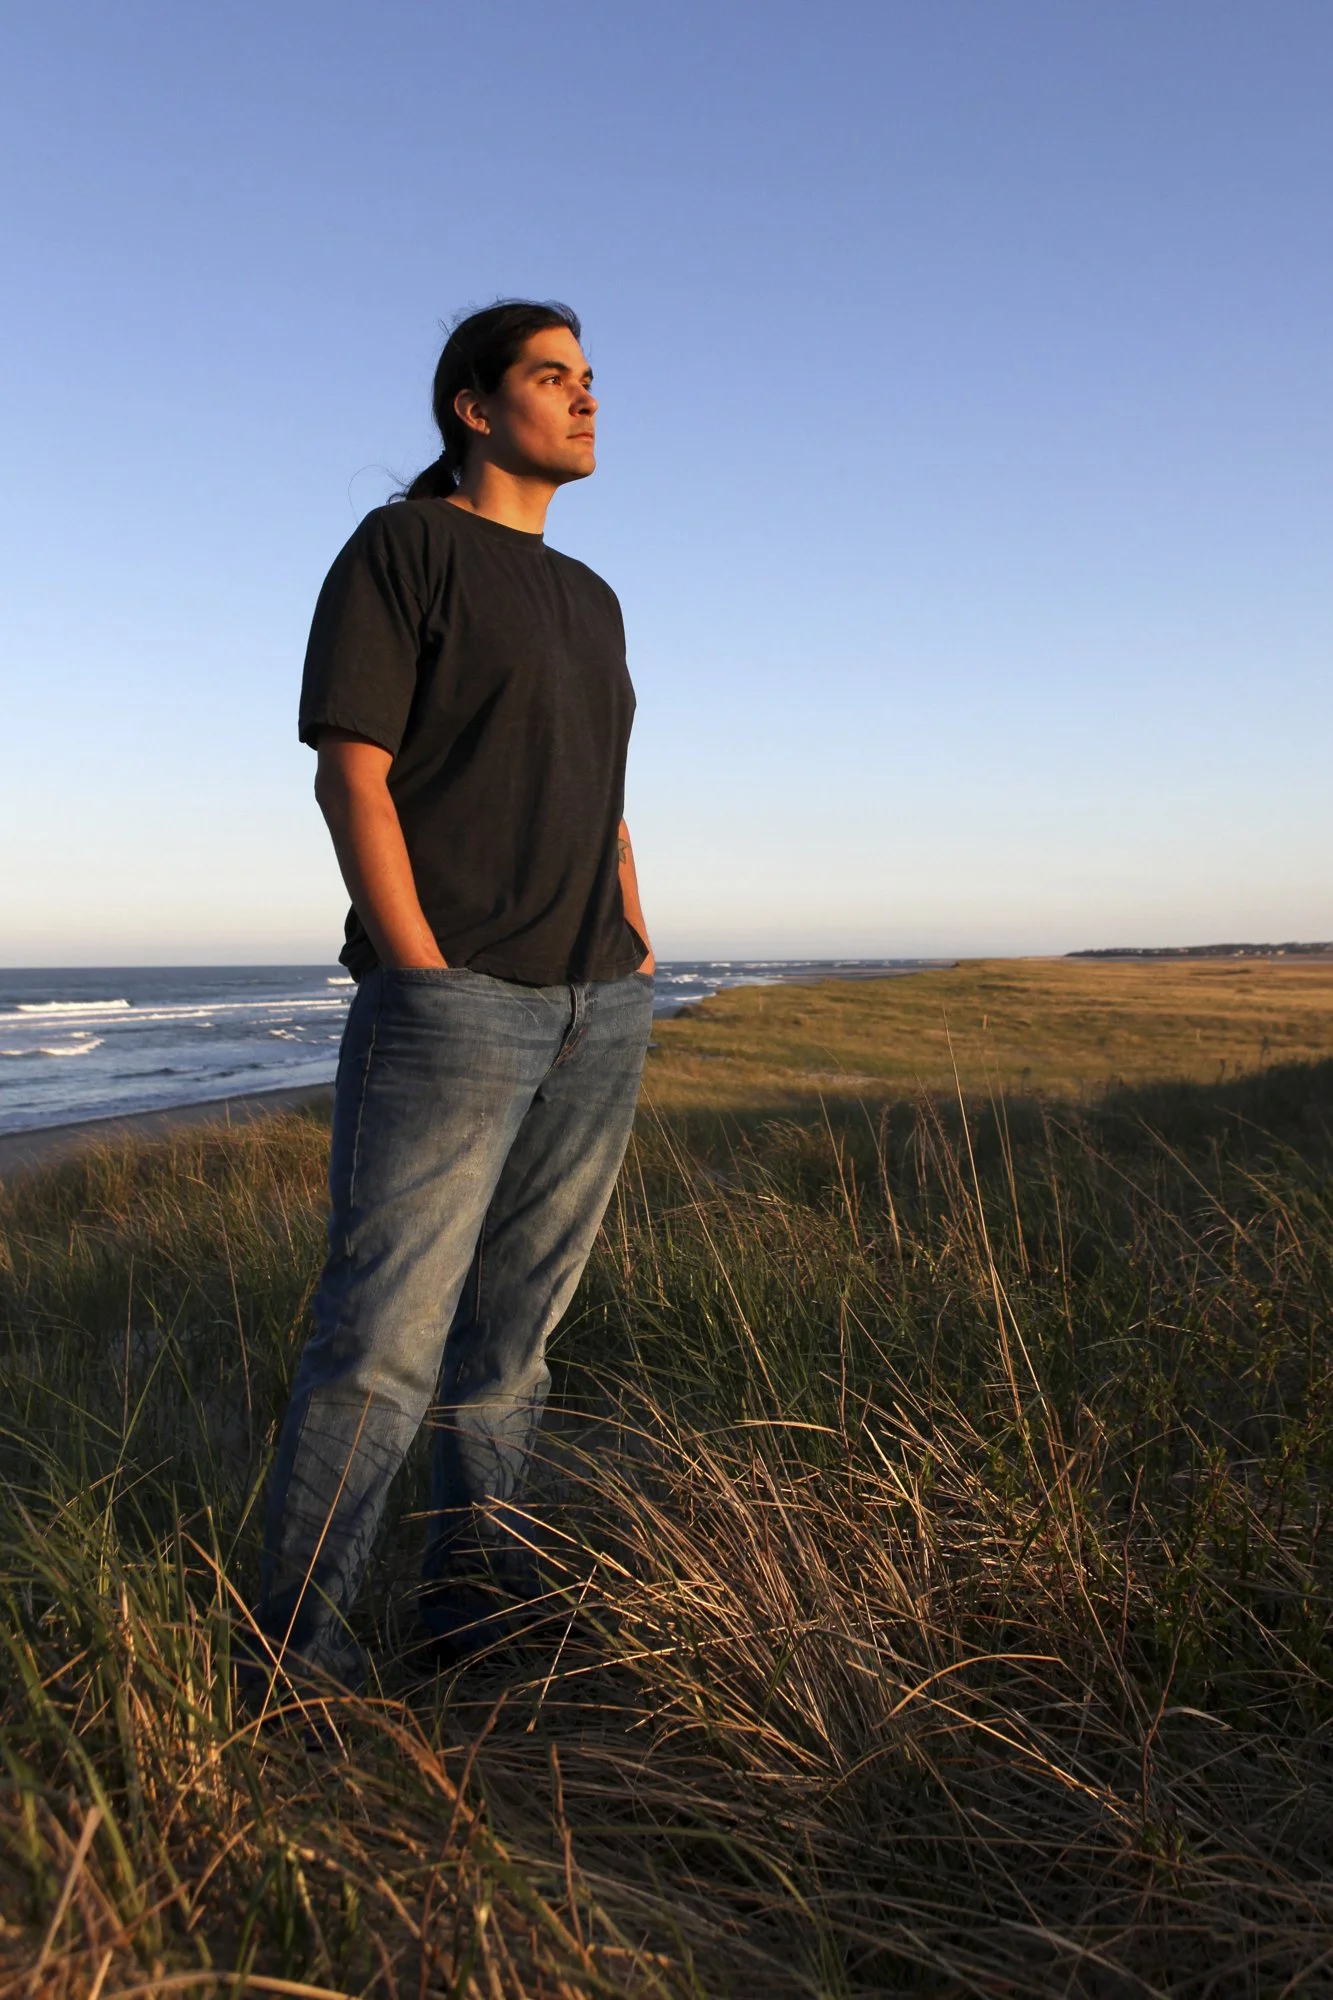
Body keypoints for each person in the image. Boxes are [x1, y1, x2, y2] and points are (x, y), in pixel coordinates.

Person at [255, 300, 654, 1683]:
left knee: (514, 1348)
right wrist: (418, 965)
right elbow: (350, 771)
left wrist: (636, 935)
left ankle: (468, 1618)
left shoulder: (592, 597)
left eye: (589, 379)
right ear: (474, 407)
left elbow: (599, 793)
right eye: (554, 377)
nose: (586, 399)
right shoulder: (404, 548)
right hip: (454, 1004)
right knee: (379, 1347)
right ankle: (288, 1660)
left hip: (598, 1006)